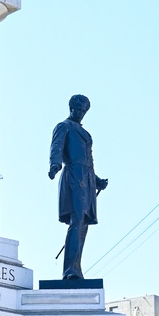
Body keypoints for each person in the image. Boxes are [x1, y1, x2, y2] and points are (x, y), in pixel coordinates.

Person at [48, 94, 108, 281]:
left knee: (83, 225)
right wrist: (54, 165)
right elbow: (56, 148)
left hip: (87, 181)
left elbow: (88, 161)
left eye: (84, 111)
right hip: (73, 176)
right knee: (77, 221)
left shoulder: (85, 133)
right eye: (78, 110)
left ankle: (76, 268)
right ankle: (70, 271)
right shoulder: (64, 126)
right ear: (71, 108)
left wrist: (97, 181)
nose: (80, 114)